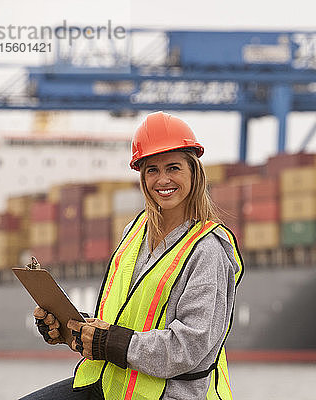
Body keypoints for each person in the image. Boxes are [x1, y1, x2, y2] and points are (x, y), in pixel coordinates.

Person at [22, 111, 244, 400]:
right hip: (113, 385)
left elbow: (189, 346)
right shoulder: (134, 231)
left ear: (193, 172)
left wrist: (111, 342)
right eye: (151, 169)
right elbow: (123, 319)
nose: (162, 179)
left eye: (173, 168)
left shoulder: (208, 248)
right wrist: (70, 328)